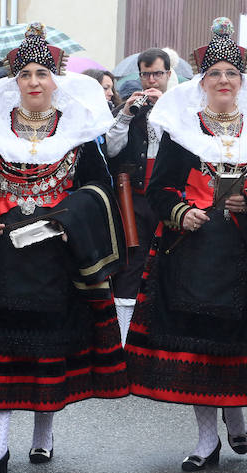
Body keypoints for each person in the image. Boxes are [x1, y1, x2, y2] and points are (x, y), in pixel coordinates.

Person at [125, 17, 247, 472]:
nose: (224, 81)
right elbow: (159, 189)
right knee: (199, 352)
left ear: (241, 81)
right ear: (202, 82)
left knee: (236, 345)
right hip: (193, 252)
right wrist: (181, 212)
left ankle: (235, 411)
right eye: (215, 74)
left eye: (231, 74)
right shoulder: (182, 130)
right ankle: (207, 439)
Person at [0, 23, 125, 473]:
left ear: (56, 79)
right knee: (0, 346)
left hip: (57, 254)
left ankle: (43, 435)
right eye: (25, 74)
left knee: (47, 346)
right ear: (13, 81)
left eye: (42, 73)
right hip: (2, 251)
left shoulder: (77, 129)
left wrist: (68, 217)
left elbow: (97, 188)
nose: (34, 82)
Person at [105, 48, 170, 342]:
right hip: (136, 199)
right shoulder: (128, 110)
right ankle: (122, 340)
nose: (152, 80)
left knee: (169, 264)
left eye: (158, 73)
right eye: (146, 74)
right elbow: (111, 149)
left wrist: (163, 109)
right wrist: (127, 115)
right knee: (131, 265)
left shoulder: (180, 107)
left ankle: (162, 339)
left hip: (170, 198)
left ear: (168, 74)